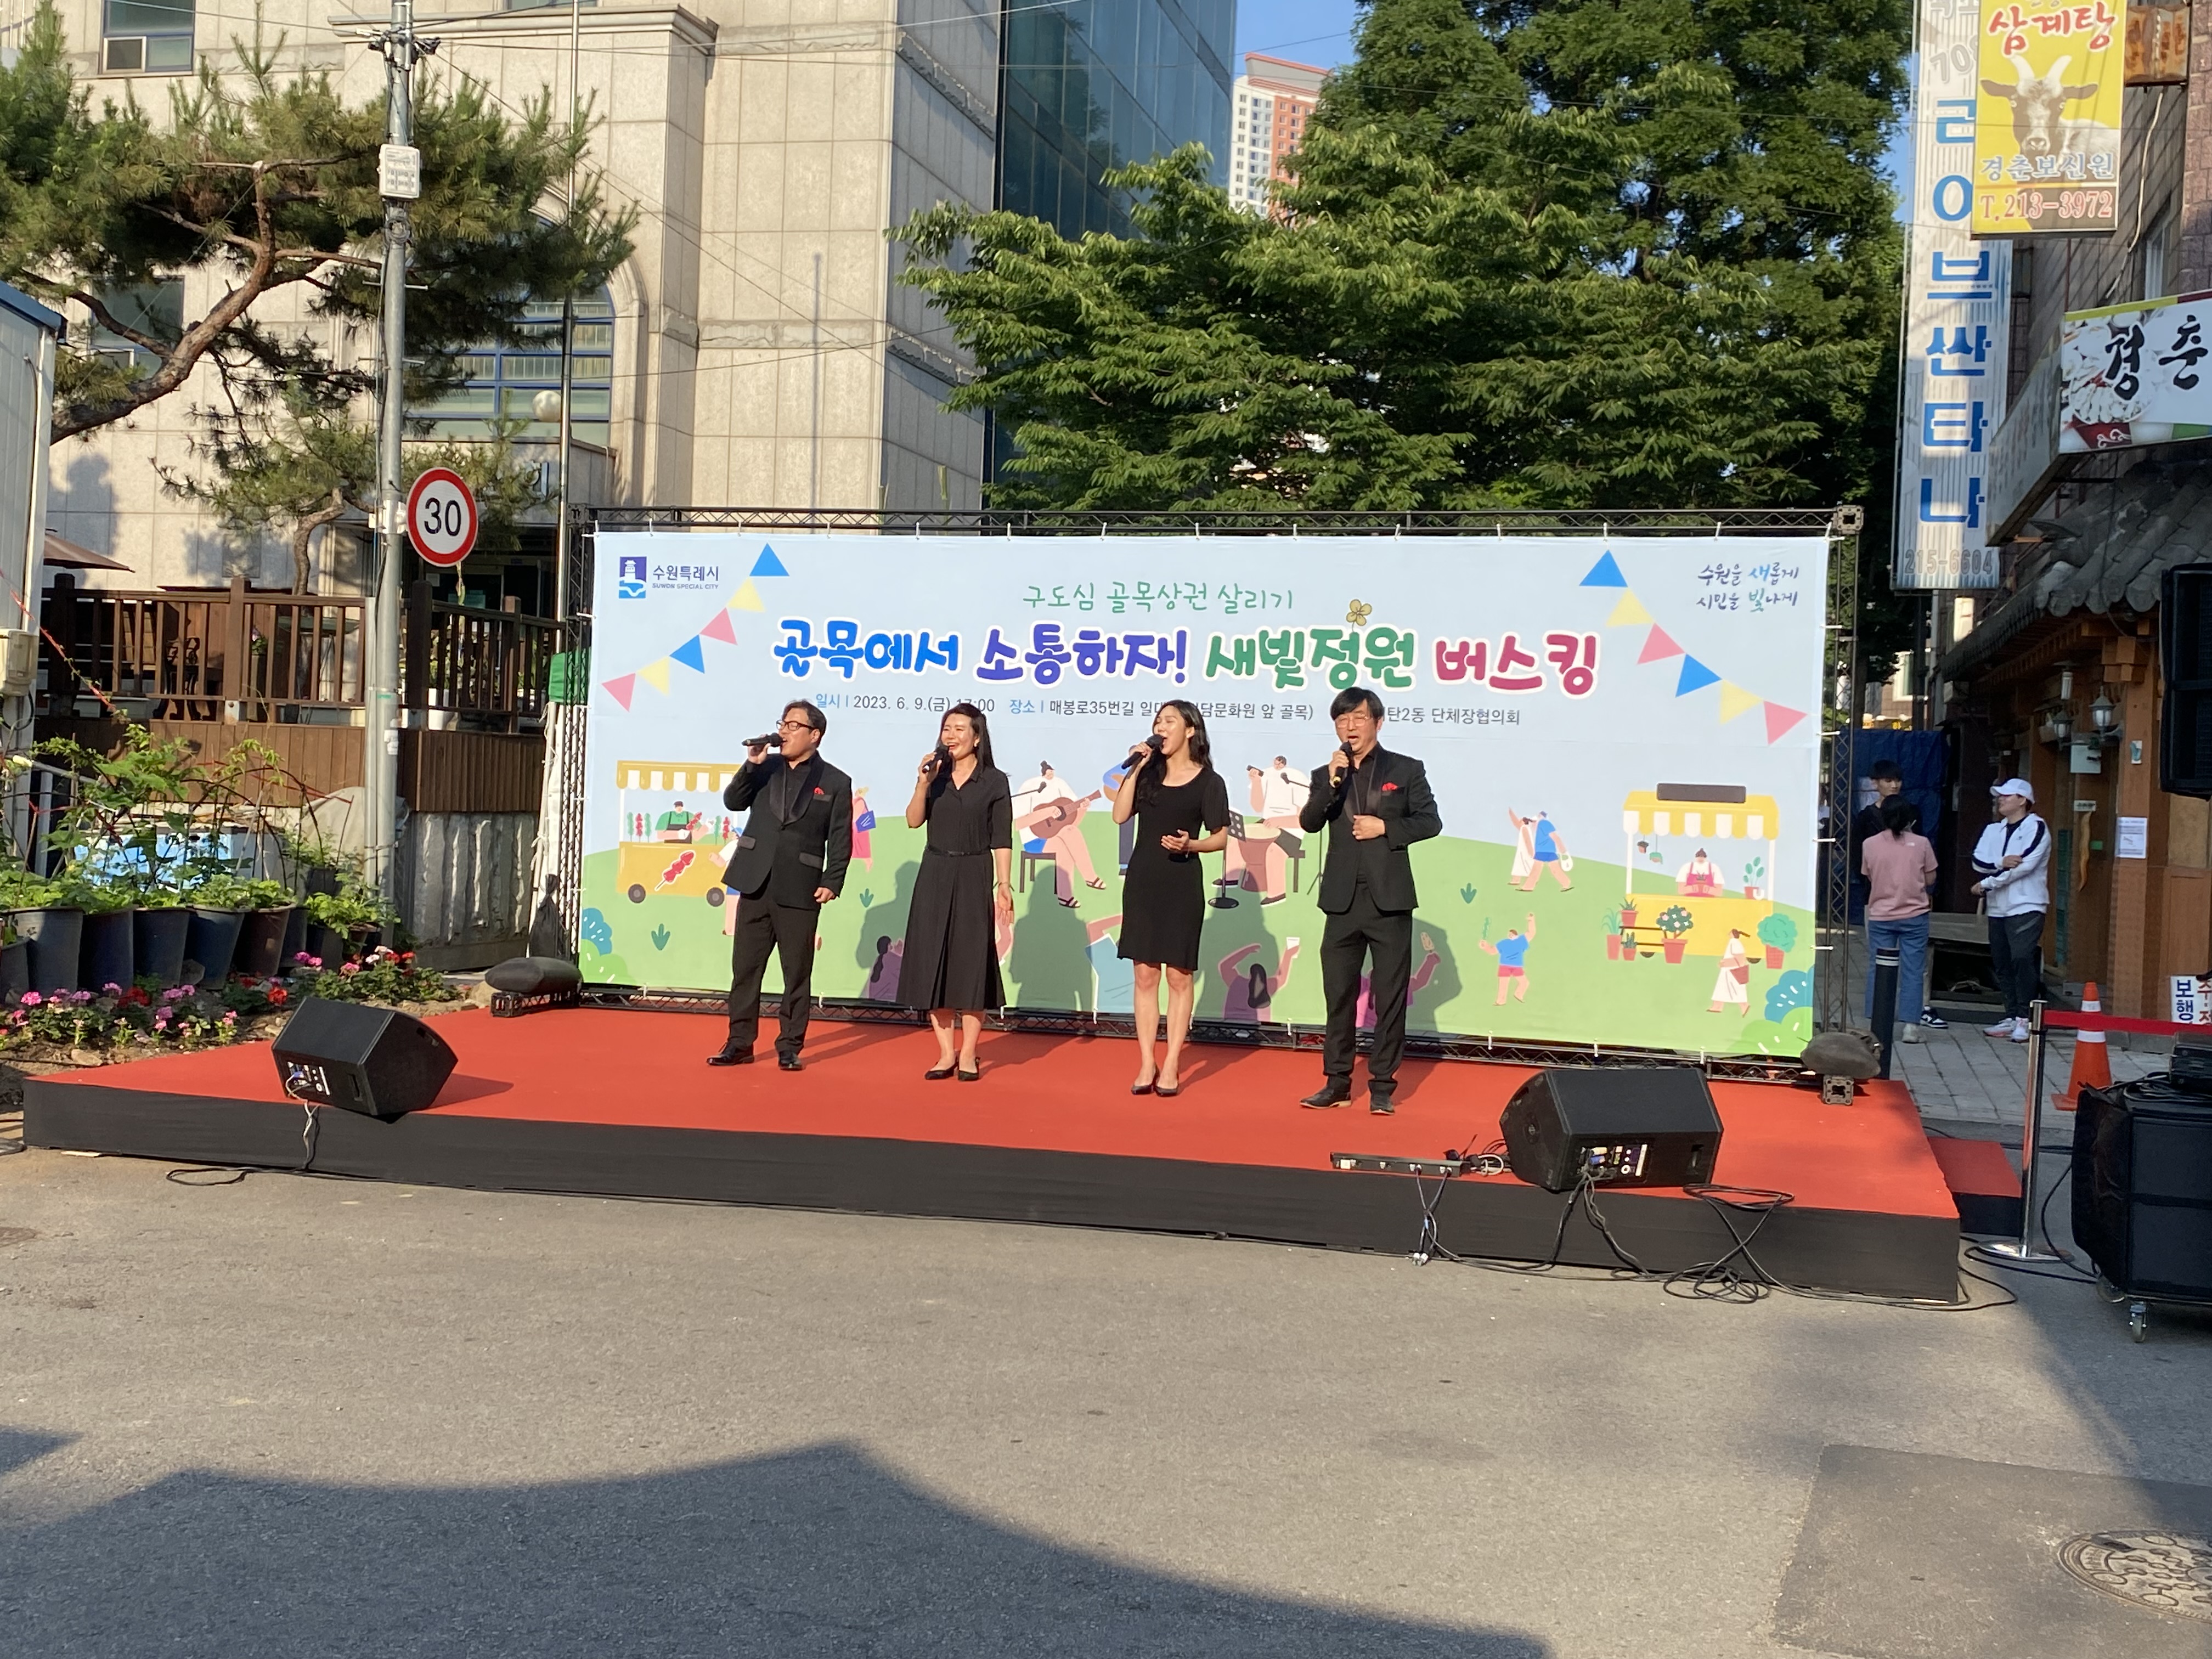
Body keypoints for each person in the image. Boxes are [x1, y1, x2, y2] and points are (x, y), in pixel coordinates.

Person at [1297, 687, 1443, 1114]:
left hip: (1389, 901)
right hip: (1342, 901)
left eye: (1359, 718)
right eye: (1342, 720)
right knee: (1338, 996)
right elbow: (1310, 823)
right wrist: (1331, 783)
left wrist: (1386, 828)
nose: (1350, 727)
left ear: (1378, 722)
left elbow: (1430, 821)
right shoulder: (1327, 775)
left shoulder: (1406, 769)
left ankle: (1382, 1085)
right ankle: (1337, 1082)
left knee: (1390, 996)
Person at [709, 701, 853, 1071]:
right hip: (755, 882)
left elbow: (840, 838)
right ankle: (739, 1043)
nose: (784, 731)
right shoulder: (765, 767)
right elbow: (733, 801)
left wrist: (833, 880)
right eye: (783, 724)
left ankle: (790, 1046)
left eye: (793, 725)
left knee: (796, 974)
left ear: (814, 735)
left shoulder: (836, 782)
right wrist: (751, 765)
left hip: (801, 887)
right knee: (746, 970)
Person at [1113, 701, 1232, 1096]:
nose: (1161, 728)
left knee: (1179, 976)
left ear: (1190, 730)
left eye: (1170, 721)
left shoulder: (1209, 781)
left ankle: (1173, 1062)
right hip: (1144, 880)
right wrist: (1136, 768)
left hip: (1181, 882)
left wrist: (1190, 845)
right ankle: (1147, 1061)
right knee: (1144, 974)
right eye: (1157, 722)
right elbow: (1119, 815)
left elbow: (1220, 836)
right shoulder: (1147, 774)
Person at [896, 704, 1014, 1079]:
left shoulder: (994, 781)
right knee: (934, 959)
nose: (951, 735)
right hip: (935, 871)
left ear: (977, 737)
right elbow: (914, 821)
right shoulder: (937, 776)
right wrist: (922, 784)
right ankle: (946, 1053)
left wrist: (1004, 885)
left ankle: (969, 1054)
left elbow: (1002, 838)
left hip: (974, 872)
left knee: (971, 963)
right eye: (947, 728)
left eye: (960, 729)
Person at [1970, 777, 2049, 1043]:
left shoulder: (2036, 827)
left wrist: (1986, 884)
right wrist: (2000, 863)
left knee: (2022, 958)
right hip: (1998, 907)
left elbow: (2024, 866)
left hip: (2027, 904)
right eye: (2000, 796)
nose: (2001, 799)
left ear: (2023, 800)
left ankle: (2025, 1017)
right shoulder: (1993, 829)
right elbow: (1978, 861)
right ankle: (2011, 1014)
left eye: (2007, 795)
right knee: (2002, 962)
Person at [1862, 795, 1943, 1040]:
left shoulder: (1870, 844)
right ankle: (1911, 1027)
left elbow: (1869, 875)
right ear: (1910, 818)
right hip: (1915, 915)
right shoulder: (1922, 843)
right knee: (1913, 970)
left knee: (1878, 968)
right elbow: (1931, 878)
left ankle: (1877, 1023)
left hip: (1881, 915)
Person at [1013, 761, 1105, 906]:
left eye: (1052, 770)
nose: (1050, 773)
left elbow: (1071, 823)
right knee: (1063, 846)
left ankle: (1076, 888)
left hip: (1057, 835)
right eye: (1048, 770)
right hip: (1034, 839)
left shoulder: (1060, 784)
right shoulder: (1030, 786)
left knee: (1070, 832)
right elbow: (1018, 824)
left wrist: (1082, 810)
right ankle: (1082, 883)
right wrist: (1047, 812)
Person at [1219, 938, 1300, 1023]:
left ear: (1250, 974)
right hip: (1259, 1029)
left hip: (1231, 1027)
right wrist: (1288, 955)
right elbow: (1282, 977)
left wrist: (1247, 951)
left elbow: (1225, 966)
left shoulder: (1237, 983)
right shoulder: (1268, 987)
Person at [1477, 917, 1536, 1004]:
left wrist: (1531, 921)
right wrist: (1485, 947)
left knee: (1524, 982)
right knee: (1503, 985)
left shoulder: (1522, 940)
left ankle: (1518, 994)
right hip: (1505, 966)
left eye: (1513, 934)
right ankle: (1500, 1001)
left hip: (1516, 967)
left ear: (1516, 935)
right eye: (1510, 934)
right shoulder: (1503, 943)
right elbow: (1493, 951)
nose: (1511, 935)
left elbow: (1531, 933)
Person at [1707, 929, 1751, 1017]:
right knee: (1722, 988)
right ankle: (1717, 1006)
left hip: (1733, 971)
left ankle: (1744, 1006)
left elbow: (1740, 960)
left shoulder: (1735, 943)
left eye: (1730, 933)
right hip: (1728, 970)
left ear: (1733, 934)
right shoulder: (1733, 942)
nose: (1728, 934)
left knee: (1735, 989)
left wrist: (1724, 963)